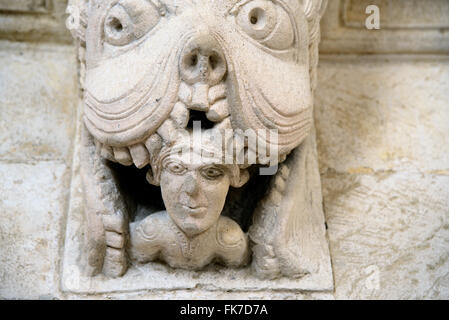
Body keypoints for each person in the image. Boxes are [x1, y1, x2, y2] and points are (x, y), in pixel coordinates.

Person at [129, 132, 250, 269]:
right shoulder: (149, 233)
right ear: (155, 176)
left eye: (211, 172)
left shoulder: (230, 239)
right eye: (176, 168)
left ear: (237, 180)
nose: (191, 189)